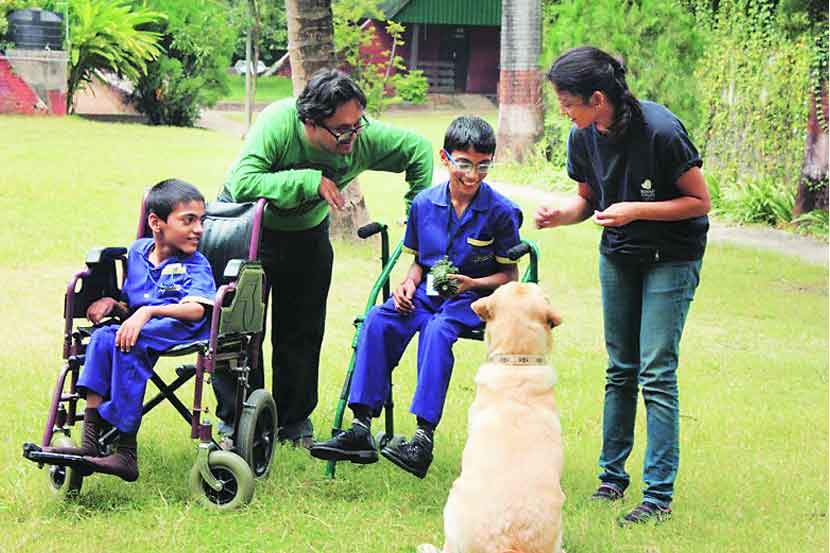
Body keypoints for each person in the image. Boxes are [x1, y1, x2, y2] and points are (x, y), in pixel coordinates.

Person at [535, 46, 711, 524]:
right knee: (620, 368)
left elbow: (700, 201)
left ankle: (657, 496)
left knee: (655, 370)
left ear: (597, 97)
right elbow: (587, 202)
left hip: (672, 256)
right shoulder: (583, 136)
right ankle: (611, 478)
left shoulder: (661, 130)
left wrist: (636, 209)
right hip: (619, 255)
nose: (564, 112)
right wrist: (560, 216)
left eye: (568, 103)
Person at [215, 68, 433, 448]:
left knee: (302, 329)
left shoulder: (360, 137)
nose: (352, 137)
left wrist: (416, 211)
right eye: (341, 130)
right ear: (310, 123)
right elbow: (243, 182)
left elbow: (419, 150)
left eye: (357, 125)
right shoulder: (278, 124)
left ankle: (293, 421)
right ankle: (237, 421)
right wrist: (309, 180)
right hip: (247, 227)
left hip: (306, 233)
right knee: (239, 329)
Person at [309, 116, 523, 479]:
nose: (473, 175)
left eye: (483, 166)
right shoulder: (424, 203)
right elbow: (417, 263)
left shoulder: (501, 211)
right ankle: (361, 428)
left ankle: (422, 439)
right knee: (378, 319)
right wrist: (407, 285)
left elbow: (510, 275)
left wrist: (472, 283)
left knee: (438, 331)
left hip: (469, 301)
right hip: (427, 294)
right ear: (445, 158)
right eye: (464, 164)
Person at [45, 179, 216, 481]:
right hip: (141, 326)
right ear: (156, 222)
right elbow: (131, 302)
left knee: (129, 338)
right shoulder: (138, 252)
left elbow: (197, 310)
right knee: (101, 337)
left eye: (201, 221)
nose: (198, 229)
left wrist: (147, 312)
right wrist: (114, 303)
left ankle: (125, 452)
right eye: (188, 220)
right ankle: (89, 443)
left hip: (181, 327)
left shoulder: (196, 263)